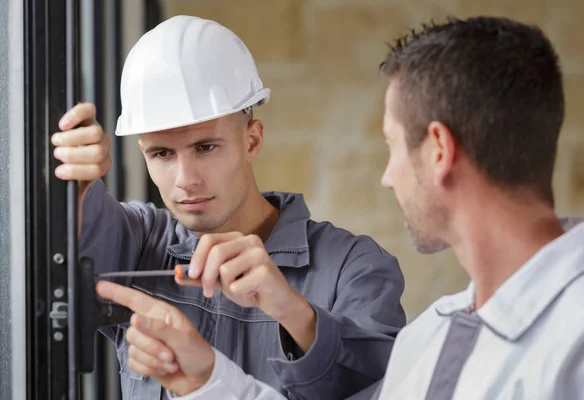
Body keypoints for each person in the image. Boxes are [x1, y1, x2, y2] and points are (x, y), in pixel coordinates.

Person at [95, 15, 584, 400]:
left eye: (391, 146)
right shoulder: (434, 336)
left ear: (439, 150)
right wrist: (208, 384)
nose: (386, 177)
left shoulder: (366, 277)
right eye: (161, 153)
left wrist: (290, 319)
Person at [52, 15, 406, 400]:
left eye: (205, 147)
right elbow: (71, 241)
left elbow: (380, 383)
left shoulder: (354, 269)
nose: (185, 179)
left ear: (252, 141)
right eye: (162, 153)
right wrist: (76, 181)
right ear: (143, 154)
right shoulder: (139, 243)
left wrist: (291, 310)